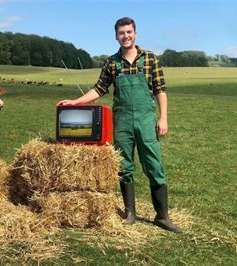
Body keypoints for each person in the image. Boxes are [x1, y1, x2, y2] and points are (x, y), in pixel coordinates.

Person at [57, 17, 181, 233]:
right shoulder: (112, 62)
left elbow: (160, 89)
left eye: (129, 32)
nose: (126, 36)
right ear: (116, 36)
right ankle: (130, 214)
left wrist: (163, 118)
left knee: (154, 165)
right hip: (122, 121)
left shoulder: (150, 59)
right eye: (122, 33)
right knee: (124, 166)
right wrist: (76, 101)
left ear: (135, 34)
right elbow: (99, 89)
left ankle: (162, 216)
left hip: (145, 120)